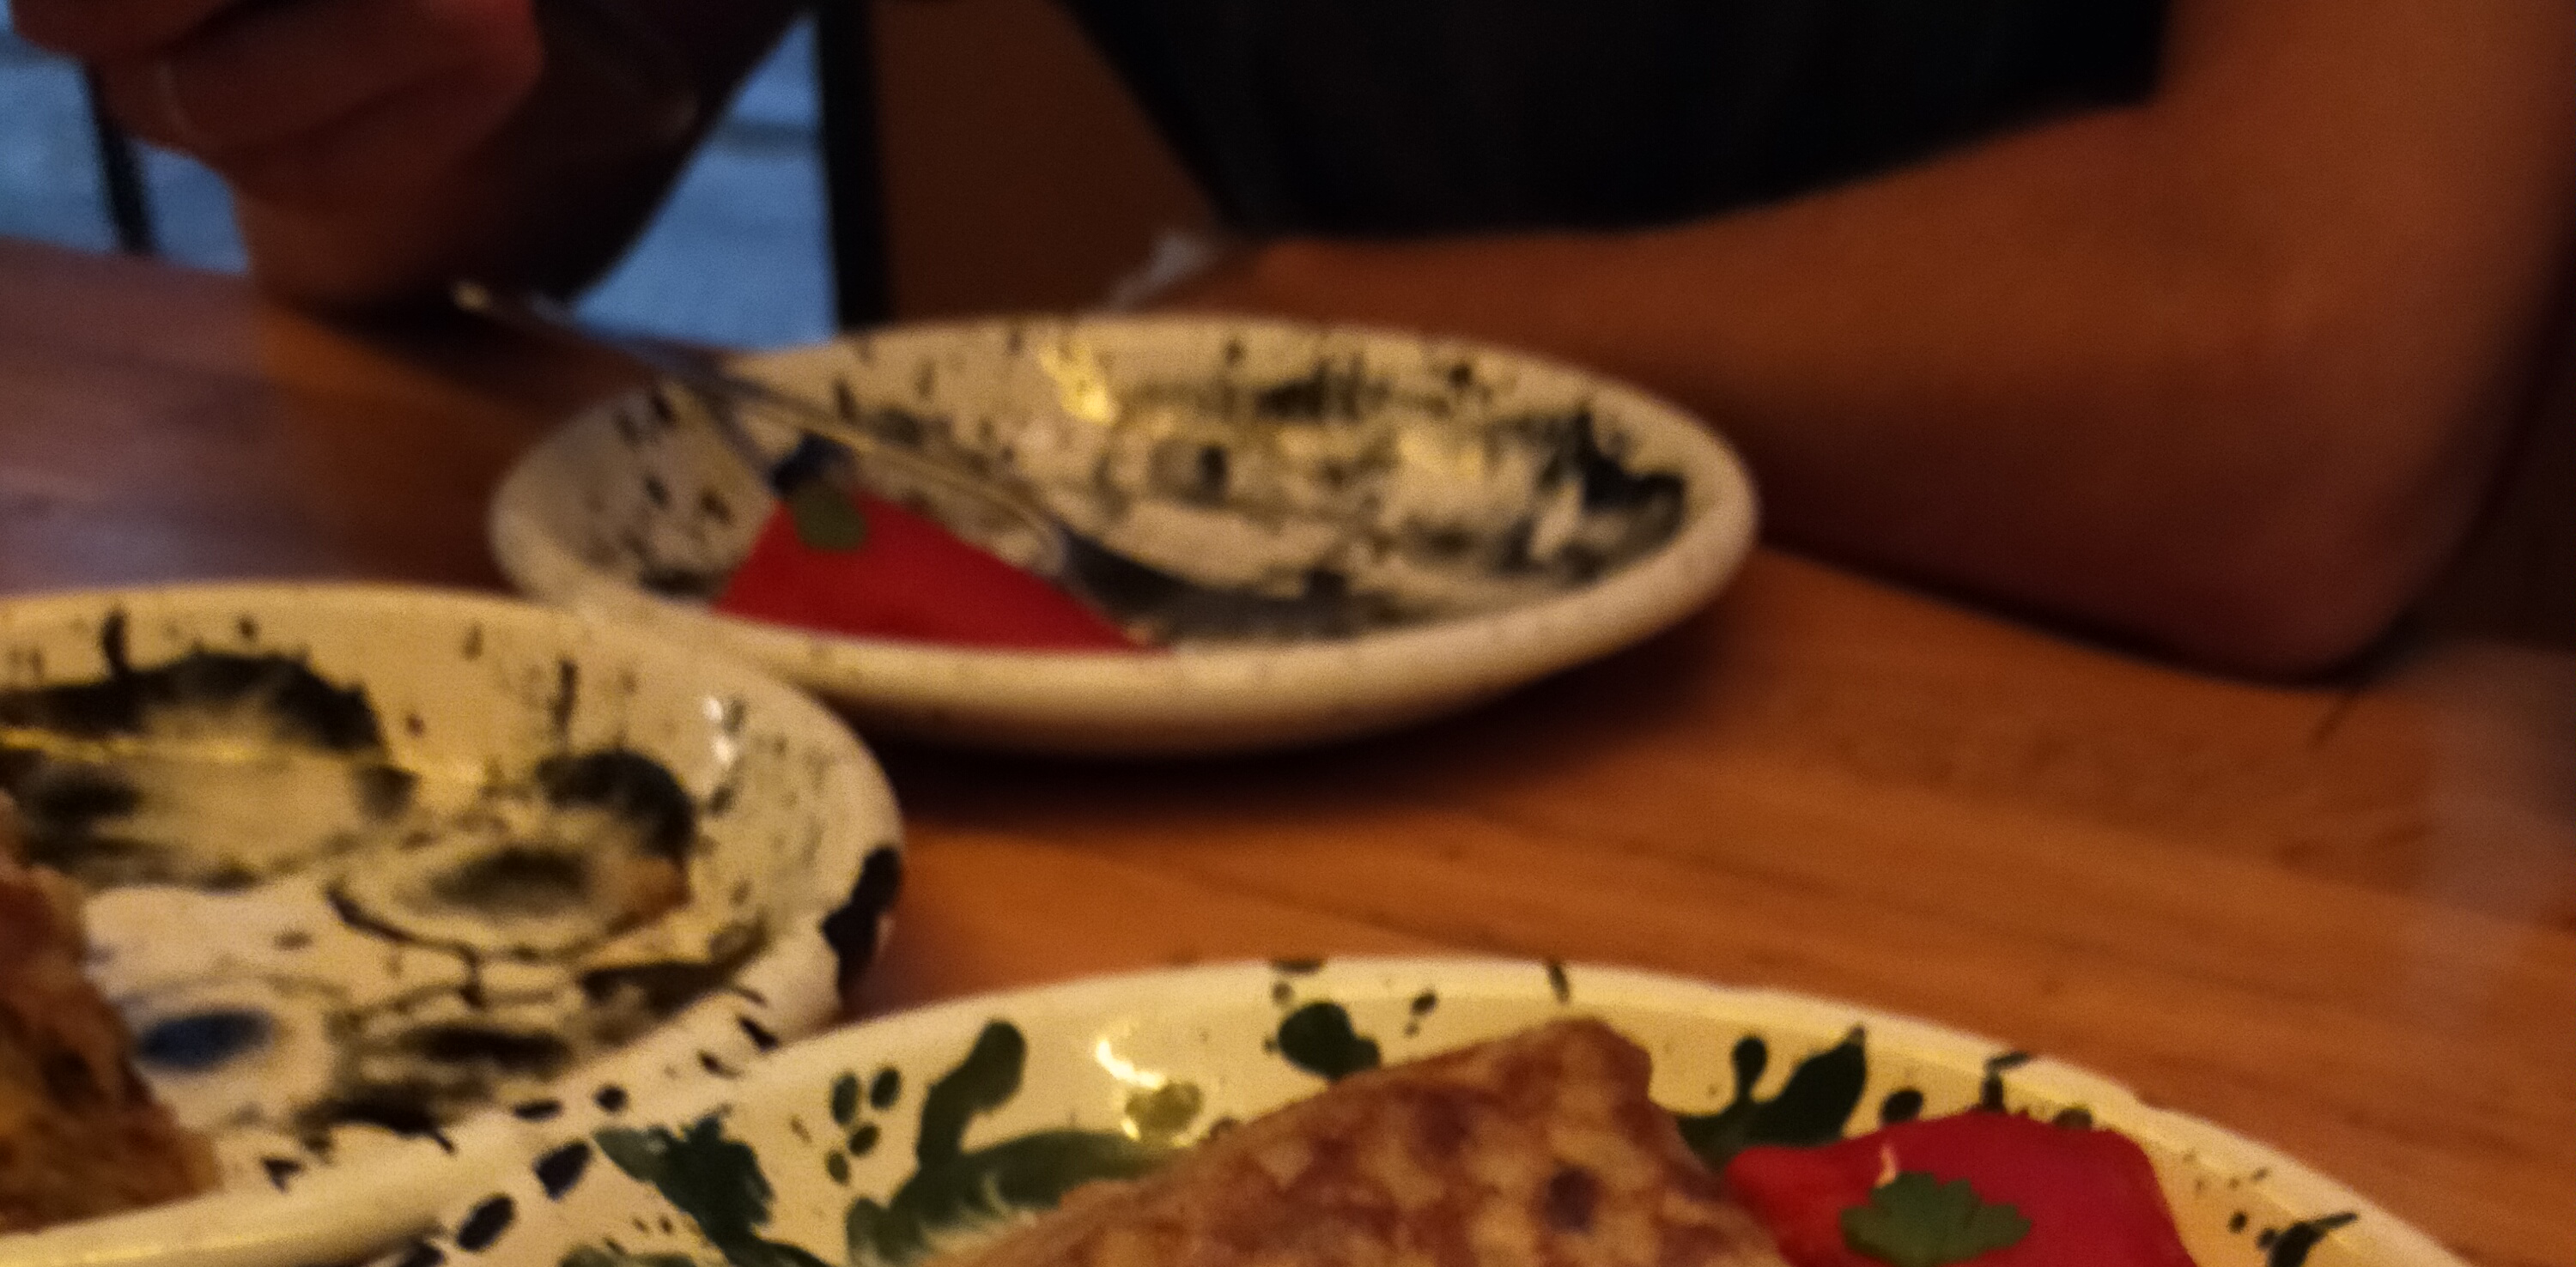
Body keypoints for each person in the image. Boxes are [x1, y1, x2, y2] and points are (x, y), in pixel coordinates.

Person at [21, 0, 2576, 676]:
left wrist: (1295, 320)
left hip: (2127, 785)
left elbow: (2293, 393)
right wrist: (337, 53)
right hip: (1175, 747)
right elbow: (423, 206)